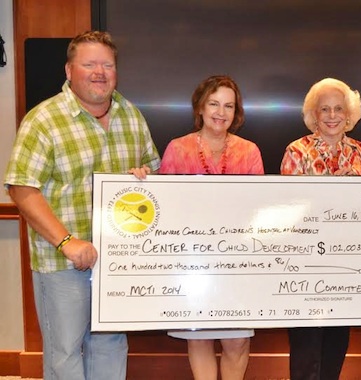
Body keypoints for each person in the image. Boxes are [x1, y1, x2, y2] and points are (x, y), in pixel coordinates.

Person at [3, 31, 161, 380]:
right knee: (65, 353)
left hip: (118, 263)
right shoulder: (44, 120)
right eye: (89, 64)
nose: (99, 72)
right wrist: (67, 242)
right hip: (63, 264)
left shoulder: (131, 116)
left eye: (107, 64)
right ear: (69, 70)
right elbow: (22, 187)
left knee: (111, 344)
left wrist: (145, 175)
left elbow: (154, 167)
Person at [159, 75, 263, 380]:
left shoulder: (250, 152)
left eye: (229, 105)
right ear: (200, 107)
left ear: (236, 112)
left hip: (238, 263)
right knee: (199, 337)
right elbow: (166, 207)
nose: (221, 112)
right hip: (193, 263)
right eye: (214, 103)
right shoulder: (177, 149)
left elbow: (258, 209)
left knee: (237, 340)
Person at [280, 77, 361, 380]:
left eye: (338, 109)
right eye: (325, 109)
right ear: (314, 115)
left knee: (335, 347)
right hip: (304, 269)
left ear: (349, 115)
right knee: (305, 351)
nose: (332, 116)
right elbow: (288, 212)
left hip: (345, 269)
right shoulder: (297, 152)